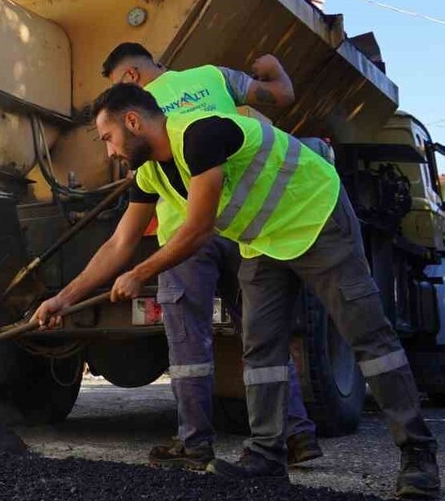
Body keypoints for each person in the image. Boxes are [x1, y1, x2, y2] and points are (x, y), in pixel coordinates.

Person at [39, 84, 439, 499]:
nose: (109, 152)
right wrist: (63, 299)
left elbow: (197, 229)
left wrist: (141, 273)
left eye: (108, 138)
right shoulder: (151, 172)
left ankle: (418, 457)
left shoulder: (200, 135)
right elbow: (117, 244)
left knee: (369, 338)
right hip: (264, 242)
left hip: (316, 219)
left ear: (133, 122)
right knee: (261, 348)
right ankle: (267, 456)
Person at [96, 43, 321, 471]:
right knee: (262, 337)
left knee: (189, 342)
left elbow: (133, 197)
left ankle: (194, 442)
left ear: (129, 79)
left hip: (183, 239)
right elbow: (282, 95)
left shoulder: (139, 115)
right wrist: (273, 66)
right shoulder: (214, 76)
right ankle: (296, 434)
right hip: (239, 227)